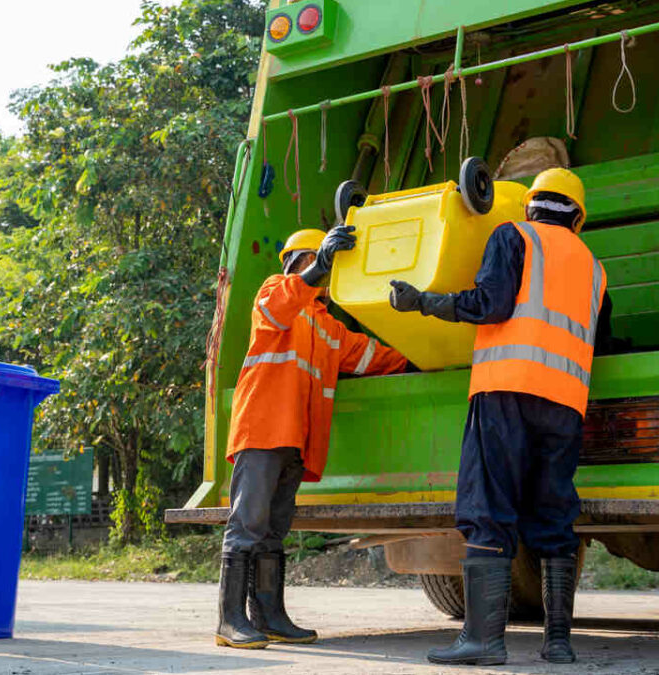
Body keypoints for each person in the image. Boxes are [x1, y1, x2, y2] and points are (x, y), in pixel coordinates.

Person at [389, 168, 612, 665]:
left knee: (488, 507)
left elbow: (489, 304)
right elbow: (602, 340)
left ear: (531, 205)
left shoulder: (514, 236)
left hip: (506, 390)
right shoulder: (595, 269)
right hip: (565, 404)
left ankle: (484, 641)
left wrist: (423, 301)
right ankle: (558, 643)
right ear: (577, 217)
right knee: (554, 513)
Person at [216, 225, 409, 649]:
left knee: (272, 530)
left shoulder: (327, 326)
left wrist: (419, 356)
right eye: (320, 261)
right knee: (247, 525)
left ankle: (269, 616)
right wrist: (318, 265)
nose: (327, 272)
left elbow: (371, 356)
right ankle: (230, 622)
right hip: (263, 429)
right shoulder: (275, 291)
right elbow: (278, 308)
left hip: (294, 439)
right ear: (300, 261)